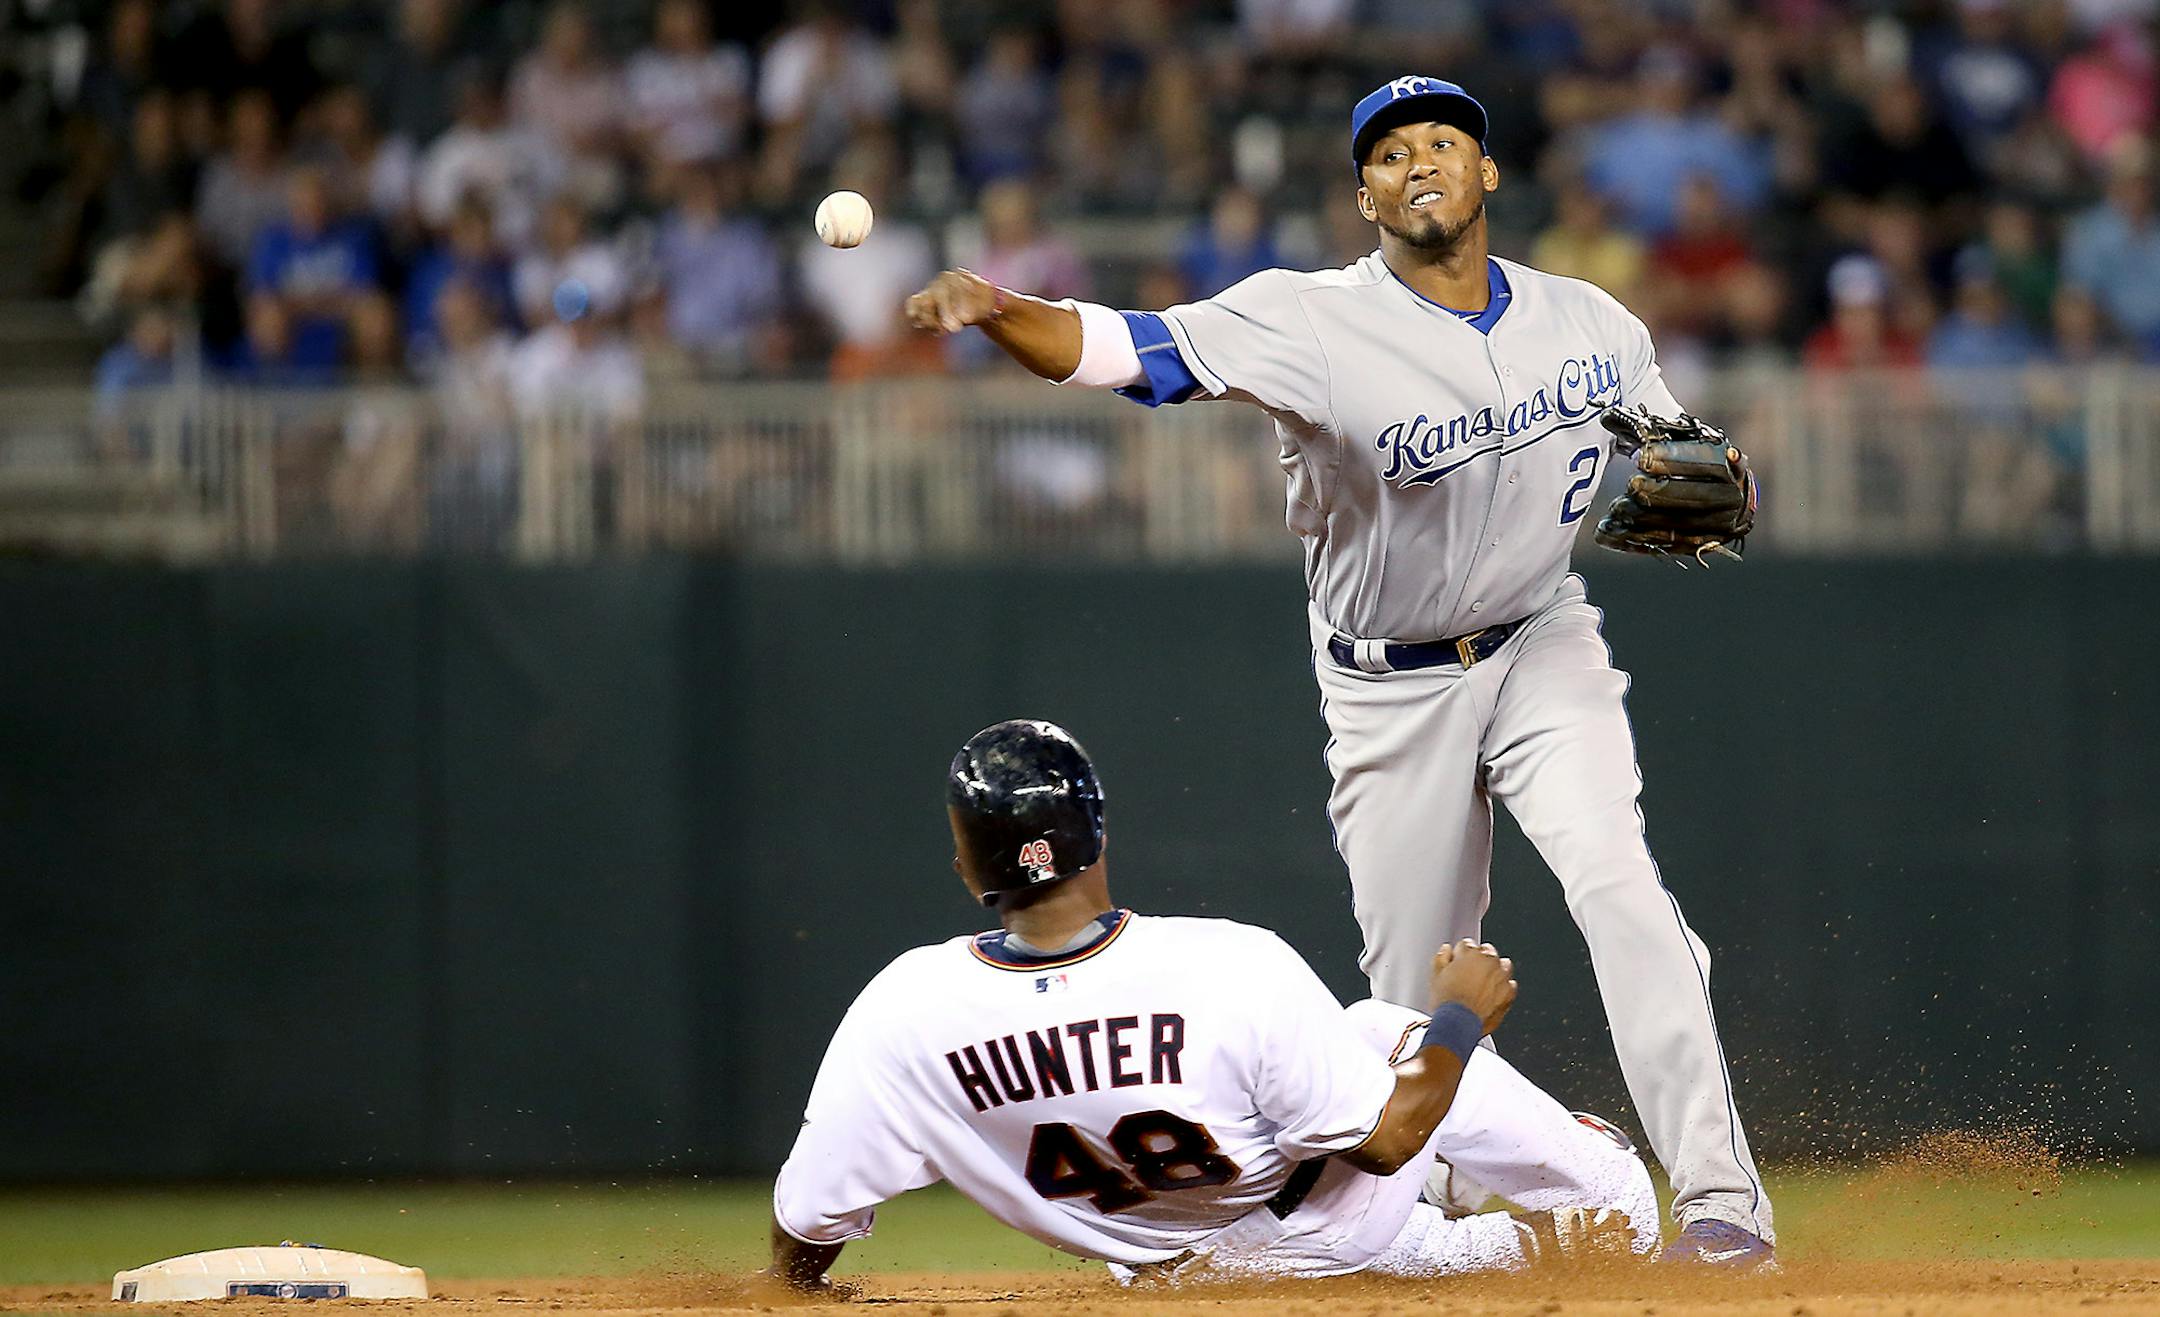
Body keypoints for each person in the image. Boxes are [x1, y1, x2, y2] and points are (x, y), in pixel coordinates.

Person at [902, 75, 1776, 1266]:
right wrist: (1000, 305)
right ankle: (1473, 1226)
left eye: (1444, 141)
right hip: (1386, 685)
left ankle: (1724, 1209)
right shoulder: (1304, 319)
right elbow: (1130, 351)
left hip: (1539, 645)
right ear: (1364, 193)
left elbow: (1691, 463)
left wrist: (1735, 483)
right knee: (1412, 1001)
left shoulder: (1593, 325)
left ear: (1489, 175)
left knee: (1622, 890)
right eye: (1390, 151)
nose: (1419, 160)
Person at [768, 720, 1657, 1294]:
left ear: (967, 868)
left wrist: (799, 1291)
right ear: (1098, 831)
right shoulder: (1226, 963)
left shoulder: (903, 1010)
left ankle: (1503, 1249)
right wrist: (1461, 1016)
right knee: (1384, 1031)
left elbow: (805, 1223)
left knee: (1381, 1195)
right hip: (1323, 1217)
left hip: (1175, 1278)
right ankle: (1605, 1211)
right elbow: (1386, 1141)